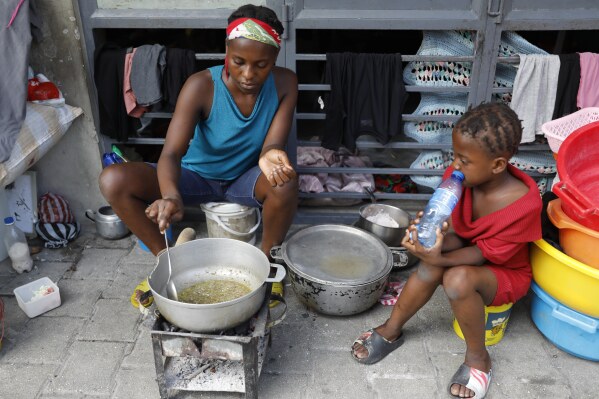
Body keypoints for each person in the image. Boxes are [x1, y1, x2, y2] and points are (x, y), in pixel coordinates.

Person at [350, 102, 542, 399]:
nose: (455, 166)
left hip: (505, 272)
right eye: (455, 156)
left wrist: (441, 255)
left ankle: (479, 358)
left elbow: (485, 253)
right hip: (470, 251)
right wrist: (428, 233)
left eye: (464, 160)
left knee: (456, 279)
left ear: (498, 165)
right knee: (430, 264)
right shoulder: (460, 180)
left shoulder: (522, 204)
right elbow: (453, 229)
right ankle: (392, 329)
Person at [99, 4, 298, 263]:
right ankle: (168, 259)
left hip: (244, 181)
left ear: (275, 56)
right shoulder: (201, 86)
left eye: (261, 65)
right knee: (113, 180)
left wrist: (271, 154)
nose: (248, 74)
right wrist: (170, 195)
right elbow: (171, 153)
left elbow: (273, 143)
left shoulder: (286, 83)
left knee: (286, 182)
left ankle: (268, 262)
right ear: (227, 49)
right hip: (195, 178)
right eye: (238, 62)